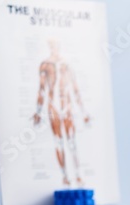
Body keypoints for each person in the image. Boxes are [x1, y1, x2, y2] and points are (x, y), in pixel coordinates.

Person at [33, 38, 90, 186]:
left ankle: (78, 174)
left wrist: (83, 112)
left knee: (71, 141)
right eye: (51, 44)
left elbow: (75, 87)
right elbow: (42, 89)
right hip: (53, 107)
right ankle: (65, 176)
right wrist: (38, 111)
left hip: (66, 105)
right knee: (58, 142)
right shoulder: (45, 65)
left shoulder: (66, 64)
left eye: (56, 44)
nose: (54, 47)